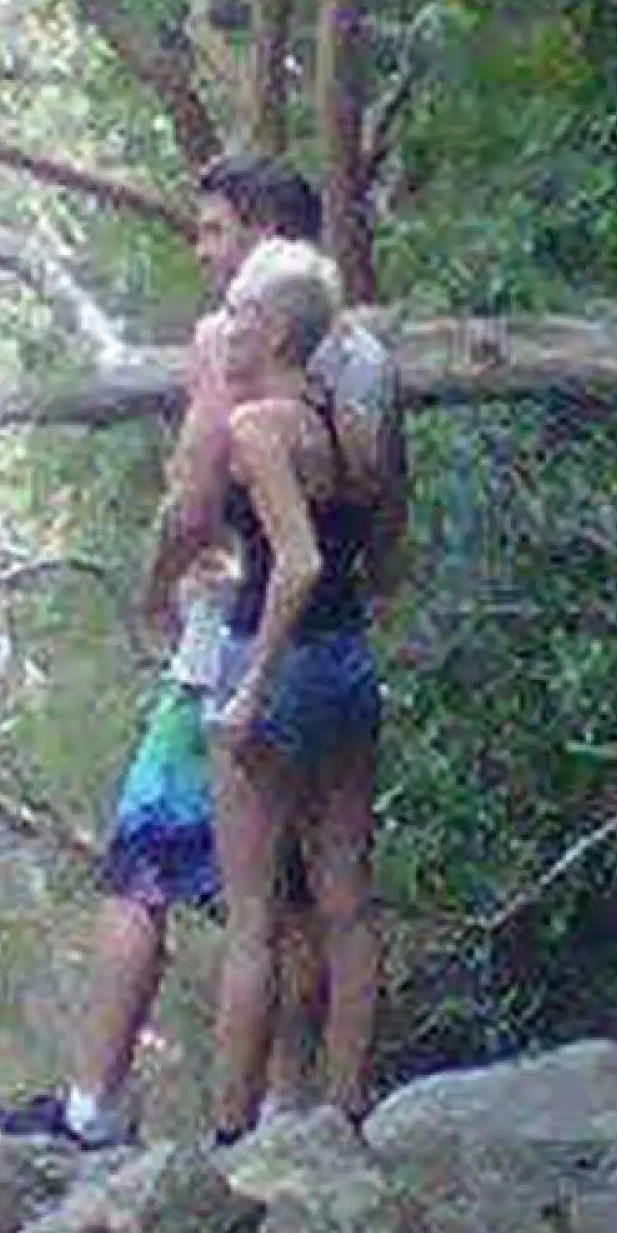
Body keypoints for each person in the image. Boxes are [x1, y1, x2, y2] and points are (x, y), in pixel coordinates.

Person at [0, 156, 356, 1149]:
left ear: (262, 231)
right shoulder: (352, 347)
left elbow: (193, 486)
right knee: (306, 894)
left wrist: (154, 584)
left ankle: (94, 1106)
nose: (201, 252)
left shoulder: (233, 343)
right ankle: (291, 1110)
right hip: (333, 640)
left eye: (214, 229)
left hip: (229, 636)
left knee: (144, 865)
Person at [195, 238, 390, 1143]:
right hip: (351, 658)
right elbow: (366, 537)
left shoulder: (257, 427)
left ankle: (228, 1133)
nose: (222, 328)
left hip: (278, 660)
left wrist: (250, 690)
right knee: (346, 893)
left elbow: (297, 562)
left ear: (272, 329)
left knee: (252, 917)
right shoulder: (333, 419)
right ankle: (346, 1108)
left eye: (236, 313)